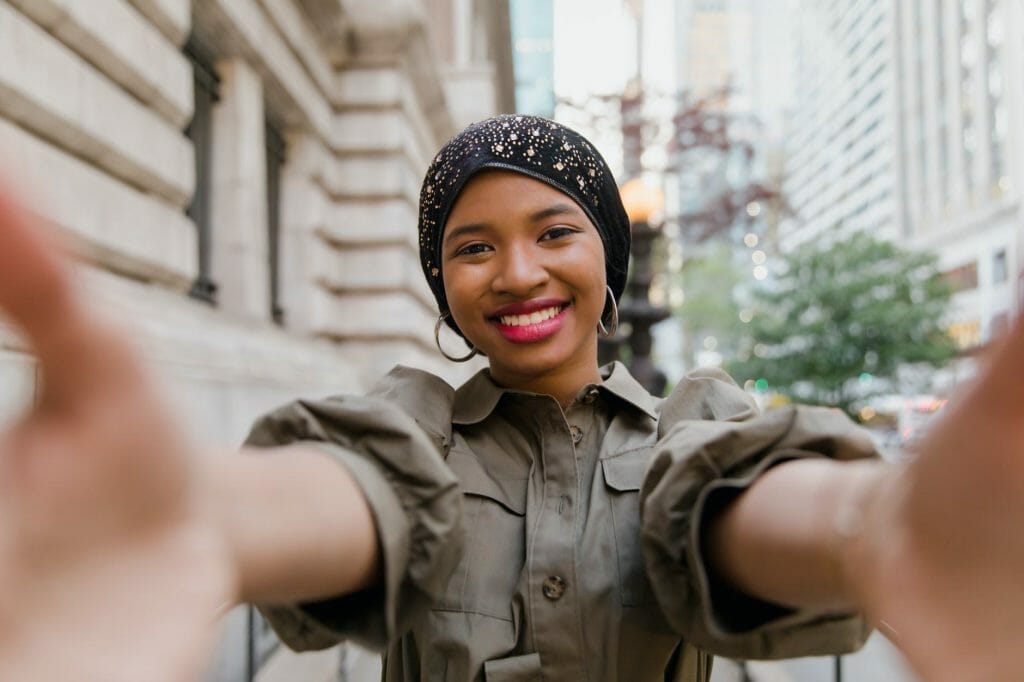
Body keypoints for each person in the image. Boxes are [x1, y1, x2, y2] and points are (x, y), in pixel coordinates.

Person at [0, 115, 1021, 682]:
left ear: (608, 260)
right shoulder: (413, 424)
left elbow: (729, 509)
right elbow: (357, 491)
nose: (516, 272)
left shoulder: (689, 431)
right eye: (472, 248)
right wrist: (205, 524)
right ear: (443, 288)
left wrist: (873, 524)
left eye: (554, 232)